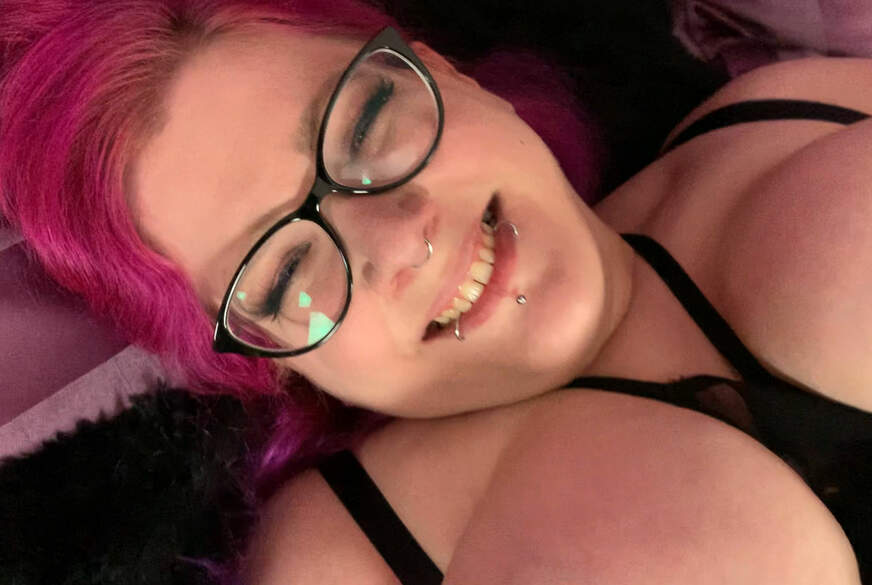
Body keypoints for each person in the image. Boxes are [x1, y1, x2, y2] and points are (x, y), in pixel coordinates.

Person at [1, 1, 870, 583]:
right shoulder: (345, 559)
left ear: (448, 72)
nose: (399, 235)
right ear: (269, 364)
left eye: (365, 122)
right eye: (284, 271)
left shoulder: (786, 119)